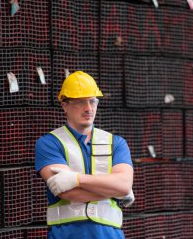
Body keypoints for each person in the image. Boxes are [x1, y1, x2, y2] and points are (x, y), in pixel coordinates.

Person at [35, 71, 135, 239]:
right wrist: (115, 189)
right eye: (80, 102)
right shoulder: (48, 143)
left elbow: (124, 185)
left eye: (92, 101)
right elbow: (67, 192)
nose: (88, 108)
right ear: (64, 105)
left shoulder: (116, 143)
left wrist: (77, 179)